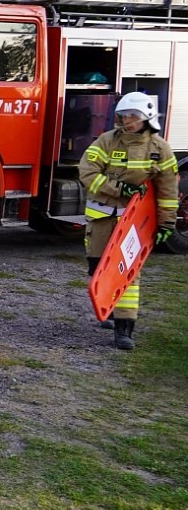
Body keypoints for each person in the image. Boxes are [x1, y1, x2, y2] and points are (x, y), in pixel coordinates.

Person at [79, 92, 179, 349]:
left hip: (134, 224)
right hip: (102, 218)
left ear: (146, 118)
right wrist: (118, 189)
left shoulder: (159, 149)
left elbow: (168, 190)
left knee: (127, 275)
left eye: (132, 117)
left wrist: (167, 223)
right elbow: (87, 172)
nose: (127, 121)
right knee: (98, 269)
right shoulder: (107, 141)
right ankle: (107, 309)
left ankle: (125, 330)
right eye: (123, 116)